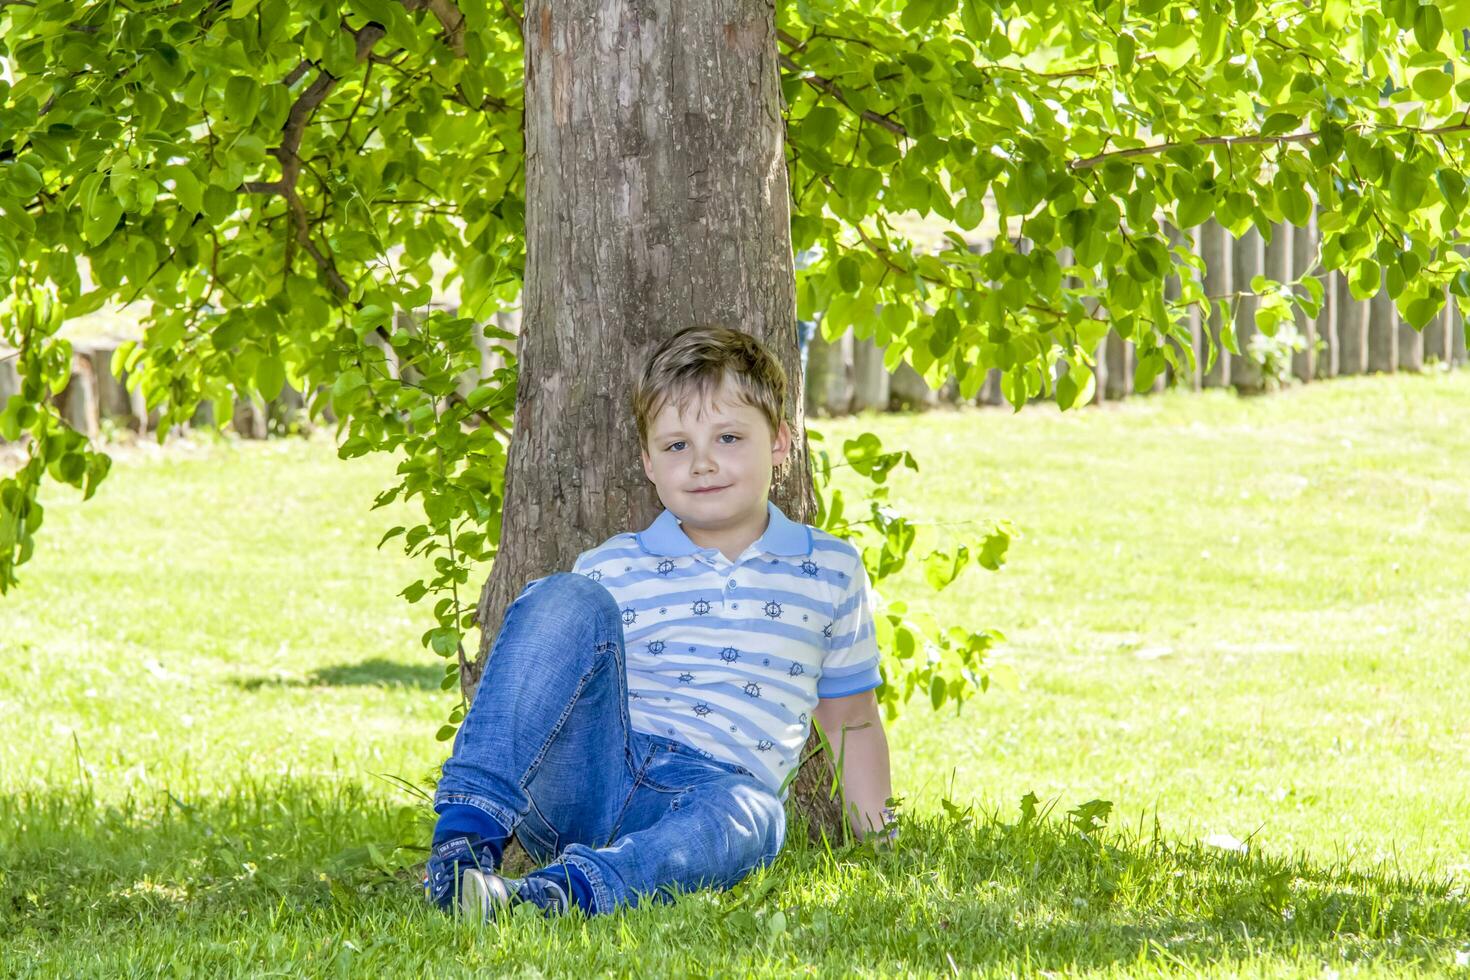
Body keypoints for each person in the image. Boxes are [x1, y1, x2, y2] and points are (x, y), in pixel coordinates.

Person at [423, 325, 896, 922]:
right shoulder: (612, 565)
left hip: (715, 794)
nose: (702, 463)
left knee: (756, 817)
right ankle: (461, 850)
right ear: (647, 461)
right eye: (676, 446)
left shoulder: (829, 569)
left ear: (780, 441)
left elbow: (852, 719)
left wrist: (882, 842)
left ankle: (554, 897)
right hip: (595, 771)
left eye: (728, 437)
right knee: (564, 597)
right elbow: (558, 676)